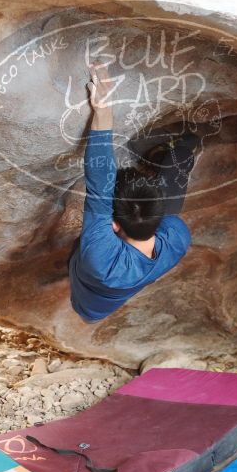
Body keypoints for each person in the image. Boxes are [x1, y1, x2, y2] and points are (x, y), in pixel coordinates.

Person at [68, 62, 195, 323]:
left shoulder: (100, 256)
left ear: (114, 225)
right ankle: (175, 151)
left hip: (85, 300)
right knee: (181, 156)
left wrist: (103, 111)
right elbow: (103, 194)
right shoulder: (177, 239)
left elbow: (99, 186)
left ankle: (170, 154)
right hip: (105, 299)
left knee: (77, 257)